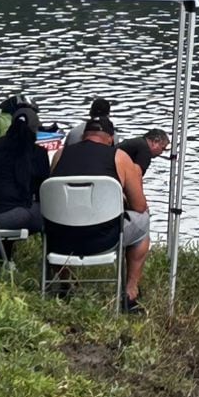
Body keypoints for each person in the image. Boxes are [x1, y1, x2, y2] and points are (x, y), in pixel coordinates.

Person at [50, 114, 150, 313]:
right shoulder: (120, 157)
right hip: (105, 239)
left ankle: (66, 283)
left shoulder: (60, 155)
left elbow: (52, 197)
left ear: (83, 136)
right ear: (111, 139)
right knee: (143, 221)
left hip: (61, 239)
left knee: (54, 221)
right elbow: (139, 206)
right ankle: (130, 292)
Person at [0, 99, 50, 233]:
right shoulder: (38, 153)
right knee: (50, 215)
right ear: (35, 129)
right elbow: (44, 190)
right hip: (14, 215)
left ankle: (3, 247)